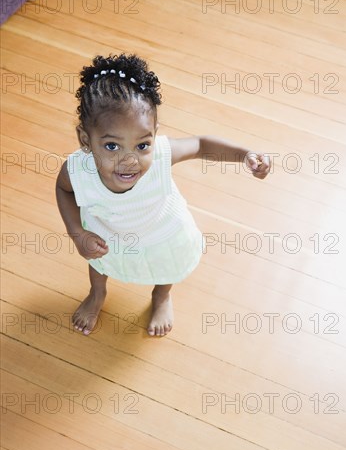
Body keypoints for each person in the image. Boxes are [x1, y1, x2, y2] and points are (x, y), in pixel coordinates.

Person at [55, 53, 271, 337]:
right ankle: (97, 293)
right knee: (99, 263)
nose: (129, 159)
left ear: (154, 135)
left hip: (162, 233)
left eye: (142, 145)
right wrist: (77, 233)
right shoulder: (77, 170)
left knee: (166, 266)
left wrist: (245, 155)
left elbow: (201, 145)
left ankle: (161, 296)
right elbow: (63, 190)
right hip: (107, 235)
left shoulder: (160, 155)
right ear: (86, 139)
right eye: (111, 147)